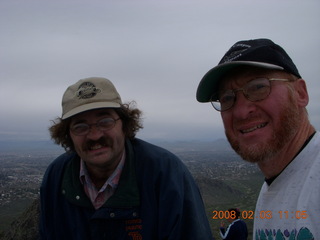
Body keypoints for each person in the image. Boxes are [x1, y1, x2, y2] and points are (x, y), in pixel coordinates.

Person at [40, 77, 213, 239]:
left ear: (124, 124)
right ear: (68, 135)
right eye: (80, 126)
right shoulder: (57, 176)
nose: (94, 135)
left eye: (105, 121)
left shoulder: (166, 174)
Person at [196, 38, 320, 239]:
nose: (241, 112)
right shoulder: (269, 192)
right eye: (227, 98)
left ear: (300, 93)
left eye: (258, 87)